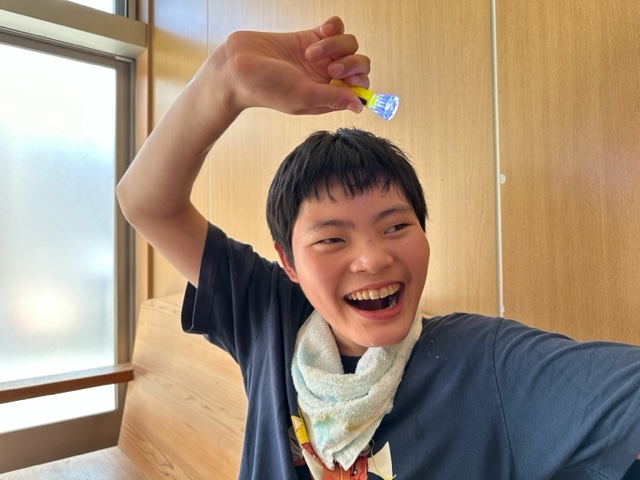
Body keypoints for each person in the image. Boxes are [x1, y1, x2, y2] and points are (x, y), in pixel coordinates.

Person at [116, 16, 640, 480]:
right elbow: (145, 202)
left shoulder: (485, 362)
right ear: (288, 262)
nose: (372, 259)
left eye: (395, 227)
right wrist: (225, 78)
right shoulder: (270, 318)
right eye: (331, 239)